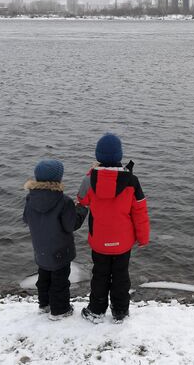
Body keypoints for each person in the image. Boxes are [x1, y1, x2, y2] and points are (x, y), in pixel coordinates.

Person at [77, 133, 150, 324]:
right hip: (123, 243)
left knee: (99, 276)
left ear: (98, 155)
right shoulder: (132, 181)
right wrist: (143, 238)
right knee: (121, 277)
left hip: (99, 241)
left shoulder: (90, 179)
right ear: (120, 155)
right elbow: (140, 212)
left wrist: (90, 173)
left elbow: (82, 199)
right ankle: (119, 311)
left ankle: (96, 311)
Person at [23, 159, 88, 321]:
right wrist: (80, 209)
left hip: (41, 249)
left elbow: (26, 219)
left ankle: (44, 305)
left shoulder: (30, 199)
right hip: (60, 251)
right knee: (60, 282)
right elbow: (71, 225)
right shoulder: (63, 201)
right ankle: (60, 310)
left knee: (43, 278)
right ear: (58, 179)